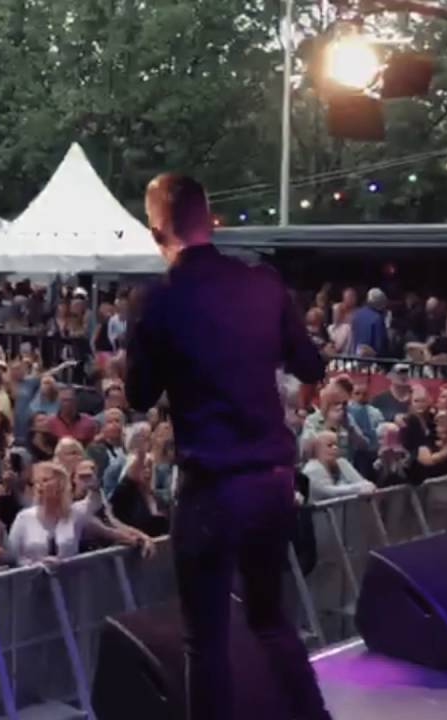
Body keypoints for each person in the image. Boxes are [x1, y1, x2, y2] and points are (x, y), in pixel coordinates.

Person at [126, 173, 330, 720]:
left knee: (206, 637)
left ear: (156, 230)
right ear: (210, 219)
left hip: (212, 483)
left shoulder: (156, 301)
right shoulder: (263, 283)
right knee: (270, 619)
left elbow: (139, 393)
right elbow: (311, 365)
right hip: (272, 477)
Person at [8, 461, 151, 564]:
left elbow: (111, 532)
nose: (40, 485)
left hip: (69, 587)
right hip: (33, 588)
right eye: (36, 481)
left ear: (60, 483)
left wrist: (143, 539)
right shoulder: (24, 518)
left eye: (45, 480)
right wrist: (35, 565)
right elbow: (12, 557)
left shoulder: (75, 515)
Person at [109, 452, 170, 537]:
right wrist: (140, 454)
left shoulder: (159, 498)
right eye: (143, 467)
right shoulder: (124, 496)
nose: (147, 471)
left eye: (149, 467)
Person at [302, 431, 377, 501]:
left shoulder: (341, 462)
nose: (335, 448)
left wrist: (367, 485)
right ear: (316, 450)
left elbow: (362, 482)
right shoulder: (312, 469)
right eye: (329, 445)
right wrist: (359, 488)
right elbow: (330, 492)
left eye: (336, 445)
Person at [349, 288, 390, 357]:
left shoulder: (356, 314)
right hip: (373, 360)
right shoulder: (377, 318)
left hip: (356, 357)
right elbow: (379, 345)